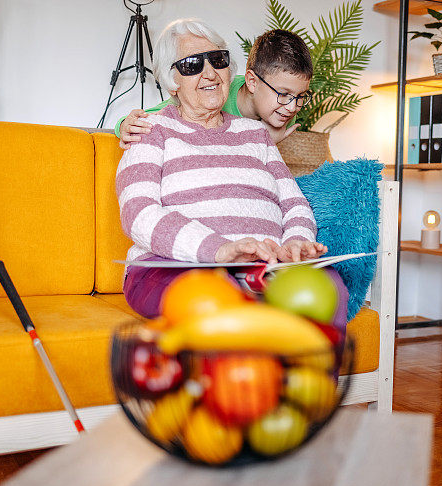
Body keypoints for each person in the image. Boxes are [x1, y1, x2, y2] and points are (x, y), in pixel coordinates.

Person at [116, 18, 348, 332]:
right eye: (192, 64)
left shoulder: (256, 134)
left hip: (261, 266)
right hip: (173, 266)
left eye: (218, 60)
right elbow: (138, 214)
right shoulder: (151, 129)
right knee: (220, 295)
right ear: (171, 81)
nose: (209, 72)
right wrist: (221, 250)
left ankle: (301, 382)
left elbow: (295, 204)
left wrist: (296, 242)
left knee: (328, 288)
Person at [115, 28, 312, 148]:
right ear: (252, 82)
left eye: (301, 96)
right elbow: (155, 115)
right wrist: (124, 124)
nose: (292, 107)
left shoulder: (280, 111)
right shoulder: (216, 96)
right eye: (284, 94)